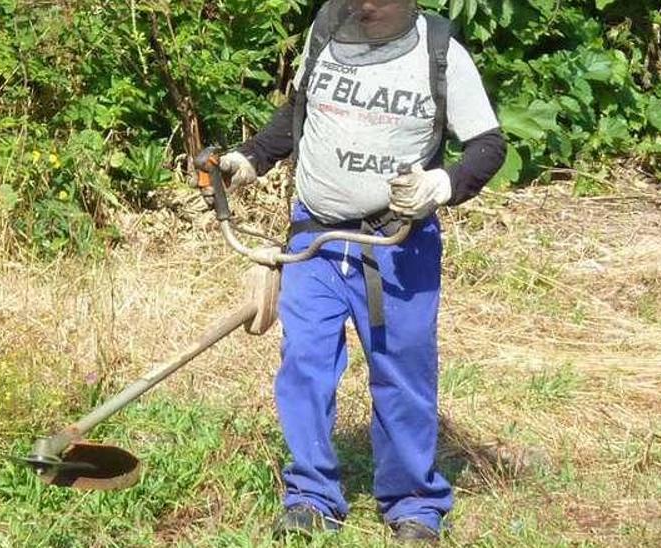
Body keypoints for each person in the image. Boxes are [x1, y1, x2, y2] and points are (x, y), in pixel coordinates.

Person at [217, 0, 506, 542]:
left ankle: (415, 503)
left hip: (398, 243)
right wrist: (251, 158)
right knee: (305, 363)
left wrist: (439, 186)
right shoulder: (327, 32)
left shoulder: (441, 53)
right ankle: (311, 495)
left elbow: (488, 147)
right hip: (316, 237)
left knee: (402, 374)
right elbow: (298, 115)